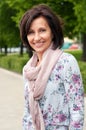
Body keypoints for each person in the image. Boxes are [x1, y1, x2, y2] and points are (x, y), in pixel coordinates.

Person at [19, 4, 84, 130]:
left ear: (53, 32)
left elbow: (77, 109)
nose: (37, 38)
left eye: (42, 30)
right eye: (31, 32)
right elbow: (28, 112)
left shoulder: (66, 62)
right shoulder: (28, 69)